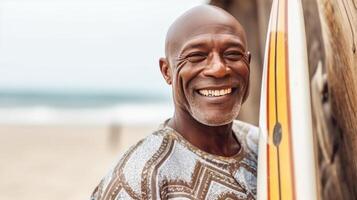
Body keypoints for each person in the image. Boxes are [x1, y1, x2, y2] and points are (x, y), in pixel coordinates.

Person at [91, 5, 258, 200]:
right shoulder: (139, 180)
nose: (218, 69)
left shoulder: (264, 145)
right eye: (196, 56)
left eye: (232, 54)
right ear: (167, 71)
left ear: (248, 62)